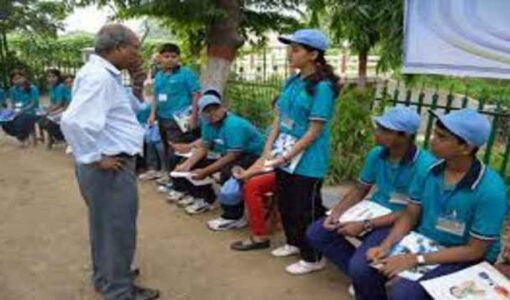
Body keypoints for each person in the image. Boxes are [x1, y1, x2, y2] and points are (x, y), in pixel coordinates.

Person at [355, 109, 507, 300]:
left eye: (441, 137)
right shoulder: (429, 171)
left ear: (466, 148)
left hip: (464, 256)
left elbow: (475, 250)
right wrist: (386, 246)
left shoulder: (490, 189)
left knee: (405, 293)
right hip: (424, 243)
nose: (432, 140)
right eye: (435, 133)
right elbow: (410, 214)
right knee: (362, 268)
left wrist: (415, 260)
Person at [61, 24, 160, 300]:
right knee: (118, 229)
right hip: (109, 168)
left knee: (105, 227)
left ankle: (107, 278)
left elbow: (132, 111)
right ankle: (118, 291)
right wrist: (95, 158)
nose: (138, 55)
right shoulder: (100, 78)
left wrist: (139, 82)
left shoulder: (105, 75)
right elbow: (73, 121)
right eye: (134, 48)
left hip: (110, 165)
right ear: (117, 48)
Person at [306, 107, 436, 288]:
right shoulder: (377, 154)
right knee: (317, 232)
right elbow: (360, 188)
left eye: (385, 130)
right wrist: (336, 212)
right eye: (378, 127)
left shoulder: (425, 166)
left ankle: (365, 276)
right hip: (372, 210)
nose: (377, 133)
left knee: (361, 265)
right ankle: (365, 278)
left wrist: (366, 224)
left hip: (398, 221)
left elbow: (411, 212)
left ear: (404, 135)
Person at [261, 28, 341, 275]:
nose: (289, 54)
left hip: (307, 159)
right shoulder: (293, 80)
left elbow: (314, 131)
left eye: (295, 49)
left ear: (313, 54)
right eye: (290, 48)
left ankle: (314, 256)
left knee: (305, 207)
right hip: (284, 154)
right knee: (285, 201)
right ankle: (294, 242)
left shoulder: (323, 88)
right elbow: (280, 118)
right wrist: (268, 148)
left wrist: (285, 155)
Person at [169, 91, 264, 221]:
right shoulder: (207, 125)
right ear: (202, 113)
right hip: (230, 153)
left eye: (215, 108)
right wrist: (187, 165)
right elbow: (203, 147)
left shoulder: (233, 125)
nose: (213, 113)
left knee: (229, 172)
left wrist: (206, 171)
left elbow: (233, 155)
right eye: (207, 111)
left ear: (223, 108)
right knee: (195, 164)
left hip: (254, 155)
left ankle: (233, 216)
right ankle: (205, 199)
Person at [148, 43, 201, 184]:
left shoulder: (186, 73)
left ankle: (180, 182)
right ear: (160, 58)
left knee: (179, 150)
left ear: (178, 58)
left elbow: (196, 94)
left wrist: (194, 117)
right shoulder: (159, 75)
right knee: (166, 148)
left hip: (180, 119)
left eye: (173, 56)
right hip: (163, 118)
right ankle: (171, 176)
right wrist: (152, 114)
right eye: (166, 56)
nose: (170, 59)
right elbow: (155, 96)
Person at [229, 159, 276, 250]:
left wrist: (251, 172)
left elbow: (283, 161)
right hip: (273, 167)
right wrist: (248, 172)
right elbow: (265, 156)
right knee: (240, 176)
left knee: (252, 186)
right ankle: (234, 215)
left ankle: (260, 235)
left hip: (291, 170)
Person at [2, 69, 40, 146]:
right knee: (4, 121)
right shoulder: (12, 90)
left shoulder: (32, 88)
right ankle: (21, 137)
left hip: (31, 111)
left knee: (21, 120)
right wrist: (11, 113)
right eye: (15, 79)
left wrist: (21, 111)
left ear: (24, 78)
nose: (17, 81)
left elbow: (33, 103)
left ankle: (23, 137)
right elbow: (13, 104)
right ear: (12, 80)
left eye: (19, 78)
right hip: (18, 112)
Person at [38, 69, 72, 148]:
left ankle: (61, 138)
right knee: (41, 120)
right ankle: (52, 138)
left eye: (53, 76)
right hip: (60, 109)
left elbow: (60, 104)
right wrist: (46, 108)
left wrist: (49, 111)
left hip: (66, 110)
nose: (51, 78)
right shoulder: (51, 87)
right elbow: (53, 103)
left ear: (58, 77)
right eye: (49, 76)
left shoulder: (61, 87)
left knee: (47, 121)